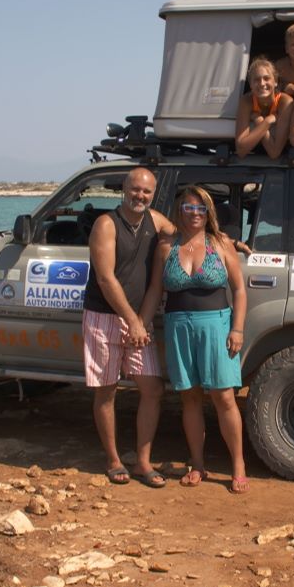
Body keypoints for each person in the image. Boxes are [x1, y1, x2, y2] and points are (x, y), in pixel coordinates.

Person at [141, 185, 249, 494]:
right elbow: (153, 292)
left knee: (224, 397)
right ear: (180, 212)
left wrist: (237, 329)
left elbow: (239, 291)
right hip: (178, 326)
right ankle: (197, 463)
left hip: (216, 325)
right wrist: (140, 324)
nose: (195, 214)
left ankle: (238, 465)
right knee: (189, 398)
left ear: (209, 212)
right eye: (188, 209)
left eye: (201, 209)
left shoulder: (221, 243)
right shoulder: (166, 247)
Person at [83, 167, 175, 488]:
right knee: (106, 391)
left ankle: (143, 462)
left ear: (154, 194)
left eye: (147, 192)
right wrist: (133, 320)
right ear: (124, 189)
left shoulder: (156, 220)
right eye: (136, 189)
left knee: (152, 389)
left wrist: (224, 240)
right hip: (104, 316)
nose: (141, 196)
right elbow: (105, 279)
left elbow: (188, 234)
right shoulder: (106, 225)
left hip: (139, 320)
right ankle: (113, 460)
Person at [235, 57, 294, 160]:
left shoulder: (285, 101)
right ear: (250, 85)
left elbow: (275, 152)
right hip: (253, 157)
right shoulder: (246, 101)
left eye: (266, 78)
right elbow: (241, 150)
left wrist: (259, 120)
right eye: (257, 80)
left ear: (275, 82)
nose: (262, 83)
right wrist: (265, 121)